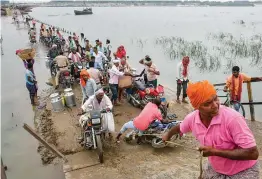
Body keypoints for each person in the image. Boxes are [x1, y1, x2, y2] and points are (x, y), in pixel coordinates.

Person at [162, 80, 259, 179]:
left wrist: (214, 152)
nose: (215, 105)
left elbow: (253, 153)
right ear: (197, 107)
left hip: (243, 171)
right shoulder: (192, 119)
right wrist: (168, 135)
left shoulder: (233, 119)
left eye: (215, 99)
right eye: (208, 103)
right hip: (217, 168)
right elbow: (179, 128)